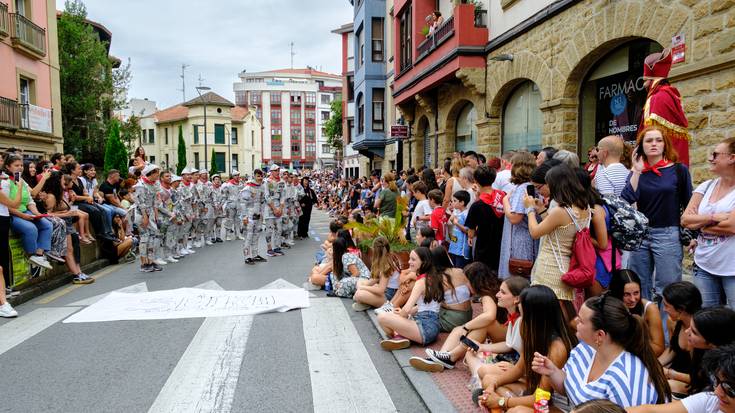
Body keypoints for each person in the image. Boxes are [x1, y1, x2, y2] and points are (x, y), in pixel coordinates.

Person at [532, 294, 671, 407]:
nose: (575, 323)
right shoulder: (585, 348)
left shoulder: (624, 379)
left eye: (581, 321)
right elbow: (570, 388)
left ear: (600, 335)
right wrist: (552, 372)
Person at [524, 164, 604, 322]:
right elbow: (557, 229)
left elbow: (535, 232)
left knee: (551, 316)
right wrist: (541, 210)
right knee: (565, 313)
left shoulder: (561, 211)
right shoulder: (584, 208)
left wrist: (530, 210)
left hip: (550, 267)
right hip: (567, 264)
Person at [478, 285, 578, 412]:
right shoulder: (529, 329)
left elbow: (541, 399)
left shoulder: (558, 348)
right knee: (488, 380)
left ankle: (499, 407)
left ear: (535, 316)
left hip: (552, 405)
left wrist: (501, 401)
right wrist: (493, 385)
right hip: (533, 390)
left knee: (516, 411)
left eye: (522, 312)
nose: (520, 317)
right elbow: (519, 369)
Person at [623, 125, 692, 302]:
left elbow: (689, 203)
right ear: (640, 146)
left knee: (668, 289)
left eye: (658, 140)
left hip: (668, 234)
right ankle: (645, 327)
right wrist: (636, 170)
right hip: (641, 235)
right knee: (639, 286)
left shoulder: (678, 170)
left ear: (665, 144)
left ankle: (666, 329)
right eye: (649, 140)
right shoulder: (637, 172)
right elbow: (627, 199)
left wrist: (692, 234)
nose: (654, 144)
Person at [682, 137, 735, 309]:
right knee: (706, 320)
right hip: (704, 265)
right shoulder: (705, 186)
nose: (710, 158)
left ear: (732, 158)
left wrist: (699, 224)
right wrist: (715, 217)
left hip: (731, 268)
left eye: (715, 154)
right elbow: (685, 220)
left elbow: (732, 226)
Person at [628, 343, 735, 413]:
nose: (717, 392)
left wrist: (671, 374)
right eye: (716, 381)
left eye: (729, 389)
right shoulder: (711, 401)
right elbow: (649, 410)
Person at [378, 247, 444, 350]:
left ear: (424, 262)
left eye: (413, 259)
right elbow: (424, 307)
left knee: (382, 317)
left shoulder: (421, 282)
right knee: (394, 315)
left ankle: (398, 336)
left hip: (424, 329)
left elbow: (407, 309)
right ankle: (403, 337)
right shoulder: (434, 277)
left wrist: (401, 314)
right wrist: (402, 314)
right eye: (409, 258)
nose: (409, 262)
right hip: (433, 327)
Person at [640, 48, 690, 166]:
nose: (644, 84)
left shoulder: (658, 98)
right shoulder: (667, 95)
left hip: (661, 167)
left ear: (653, 80)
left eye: (645, 80)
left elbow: (652, 135)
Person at [40, 173, 93, 284]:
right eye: (62, 180)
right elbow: (48, 214)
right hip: (62, 225)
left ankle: (78, 272)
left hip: (68, 224)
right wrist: (66, 214)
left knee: (71, 249)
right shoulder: (51, 196)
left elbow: (60, 210)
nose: (64, 182)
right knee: (68, 251)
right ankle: (76, 275)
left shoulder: (59, 195)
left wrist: (70, 206)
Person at [5, 154, 53, 270]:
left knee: (47, 225)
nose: (20, 168)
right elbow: (5, 205)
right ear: (7, 167)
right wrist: (23, 215)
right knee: (31, 229)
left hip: (26, 211)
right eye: (16, 165)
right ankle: (31, 255)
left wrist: (37, 214)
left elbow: (30, 199)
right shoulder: (4, 181)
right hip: (12, 214)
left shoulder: (19, 179)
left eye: (21, 165)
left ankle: (39, 255)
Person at [659, 281, 703, 396]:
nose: (664, 309)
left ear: (681, 309)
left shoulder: (702, 332)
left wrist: (669, 373)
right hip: (674, 373)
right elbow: (672, 350)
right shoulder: (673, 322)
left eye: (667, 306)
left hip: (695, 382)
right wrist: (653, 365)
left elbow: (702, 378)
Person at [608, 269, 665, 357]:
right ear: (616, 293)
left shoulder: (649, 309)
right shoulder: (608, 307)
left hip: (642, 357)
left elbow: (659, 347)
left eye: (636, 293)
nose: (632, 299)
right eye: (626, 294)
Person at [499, 151, 538, 279]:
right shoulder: (529, 186)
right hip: (526, 237)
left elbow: (515, 218)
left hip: (521, 239)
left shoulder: (523, 188)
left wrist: (505, 201)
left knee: (520, 275)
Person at [466, 165, 505, 271]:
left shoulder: (476, 206)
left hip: (483, 249)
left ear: (476, 181)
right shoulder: (503, 197)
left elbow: (471, 233)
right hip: (503, 246)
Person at [353, 236, 400, 311]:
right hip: (385, 290)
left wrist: (362, 287)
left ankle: (368, 302)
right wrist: (363, 285)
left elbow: (381, 290)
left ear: (375, 251)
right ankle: (368, 302)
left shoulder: (386, 264)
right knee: (360, 282)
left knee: (358, 295)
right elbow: (374, 280)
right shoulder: (386, 258)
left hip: (389, 295)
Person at [134, 164, 163, 273]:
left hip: (150, 213)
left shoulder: (155, 184)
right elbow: (140, 203)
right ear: (151, 173)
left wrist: (156, 216)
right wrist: (145, 217)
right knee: (144, 238)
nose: (158, 176)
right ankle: (143, 263)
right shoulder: (141, 185)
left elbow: (155, 202)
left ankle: (151, 261)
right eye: (156, 174)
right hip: (141, 213)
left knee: (152, 237)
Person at [239, 169, 268, 265]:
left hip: (258, 215)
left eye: (261, 176)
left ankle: (255, 255)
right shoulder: (248, 187)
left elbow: (263, 202)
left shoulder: (262, 187)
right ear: (254, 176)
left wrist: (262, 214)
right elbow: (243, 203)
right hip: (249, 215)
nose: (260, 178)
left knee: (256, 235)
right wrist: (244, 217)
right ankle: (247, 257)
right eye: (258, 176)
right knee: (248, 236)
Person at [328, 234, 370, 298]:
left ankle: (341, 292)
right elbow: (335, 271)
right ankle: (337, 290)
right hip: (353, 278)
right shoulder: (340, 257)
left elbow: (356, 273)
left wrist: (342, 281)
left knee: (344, 282)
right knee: (333, 274)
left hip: (363, 279)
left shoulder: (346, 256)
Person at [264, 165, 286, 257]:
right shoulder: (267, 182)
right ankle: (269, 249)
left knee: (279, 229)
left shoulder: (281, 182)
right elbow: (267, 196)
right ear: (271, 171)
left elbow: (283, 196)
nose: (278, 172)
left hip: (279, 206)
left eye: (278, 170)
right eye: (276, 170)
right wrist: (274, 209)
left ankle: (277, 247)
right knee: (269, 230)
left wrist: (280, 209)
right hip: (269, 207)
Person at [447, 190, 471, 268]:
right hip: (454, 245)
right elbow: (451, 220)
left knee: (459, 269)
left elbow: (467, 230)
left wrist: (457, 223)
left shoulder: (466, 214)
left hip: (461, 250)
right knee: (453, 267)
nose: (452, 203)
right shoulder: (457, 211)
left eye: (455, 201)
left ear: (462, 203)